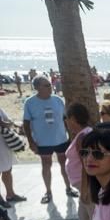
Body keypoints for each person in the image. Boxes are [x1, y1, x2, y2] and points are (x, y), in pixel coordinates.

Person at [22, 75, 78, 204]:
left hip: (61, 139)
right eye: (46, 85)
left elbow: (65, 119)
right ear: (37, 88)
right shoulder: (30, 102)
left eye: (49, 84)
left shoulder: (58, 100)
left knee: (64, 163)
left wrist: (70, 135)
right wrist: (31, 141)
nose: (50, 87)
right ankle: (48, 192)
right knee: (46, 165)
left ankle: (68, 188)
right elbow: (26, 123)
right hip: (43, 141)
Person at [64, 103, 94, 220]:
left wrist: (84, 189)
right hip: (83, 187)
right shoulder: (82, 134)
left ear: (73, 118)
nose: (66, 121)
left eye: (67, 118)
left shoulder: (83, 136)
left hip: (87, 187)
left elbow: (86, 165)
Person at [0, 107, 25, 208]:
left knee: (8, 169)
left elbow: (8, 121)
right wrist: (7, 123)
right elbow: (5, 123)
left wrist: (8, 123)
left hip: (4, 144)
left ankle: (10, 194)